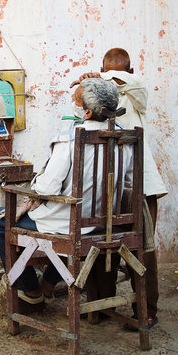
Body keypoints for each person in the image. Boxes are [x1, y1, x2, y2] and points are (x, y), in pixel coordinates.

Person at [0, 77, 133, 304]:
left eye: (75, 100)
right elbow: (128, 181)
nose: (72, 103)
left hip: (70, 225)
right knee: (69, 223)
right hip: (106, 222)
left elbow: (47, 187)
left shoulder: (72, 137)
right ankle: (48, 282)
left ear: (86, 112)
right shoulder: (126, 136)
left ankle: (31, 289)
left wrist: (34, 187)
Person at [70, 47, 167, 329]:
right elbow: (79, 108)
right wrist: (90, 84)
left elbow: (131, 83)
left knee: (142, 247)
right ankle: (101, 305)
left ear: (128, 72)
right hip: (108, 186)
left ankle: (146, 309)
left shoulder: (136, 92)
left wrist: (101, 77)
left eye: (115, 73)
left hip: (141, 187)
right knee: (100, 242)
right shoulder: (99, 99)